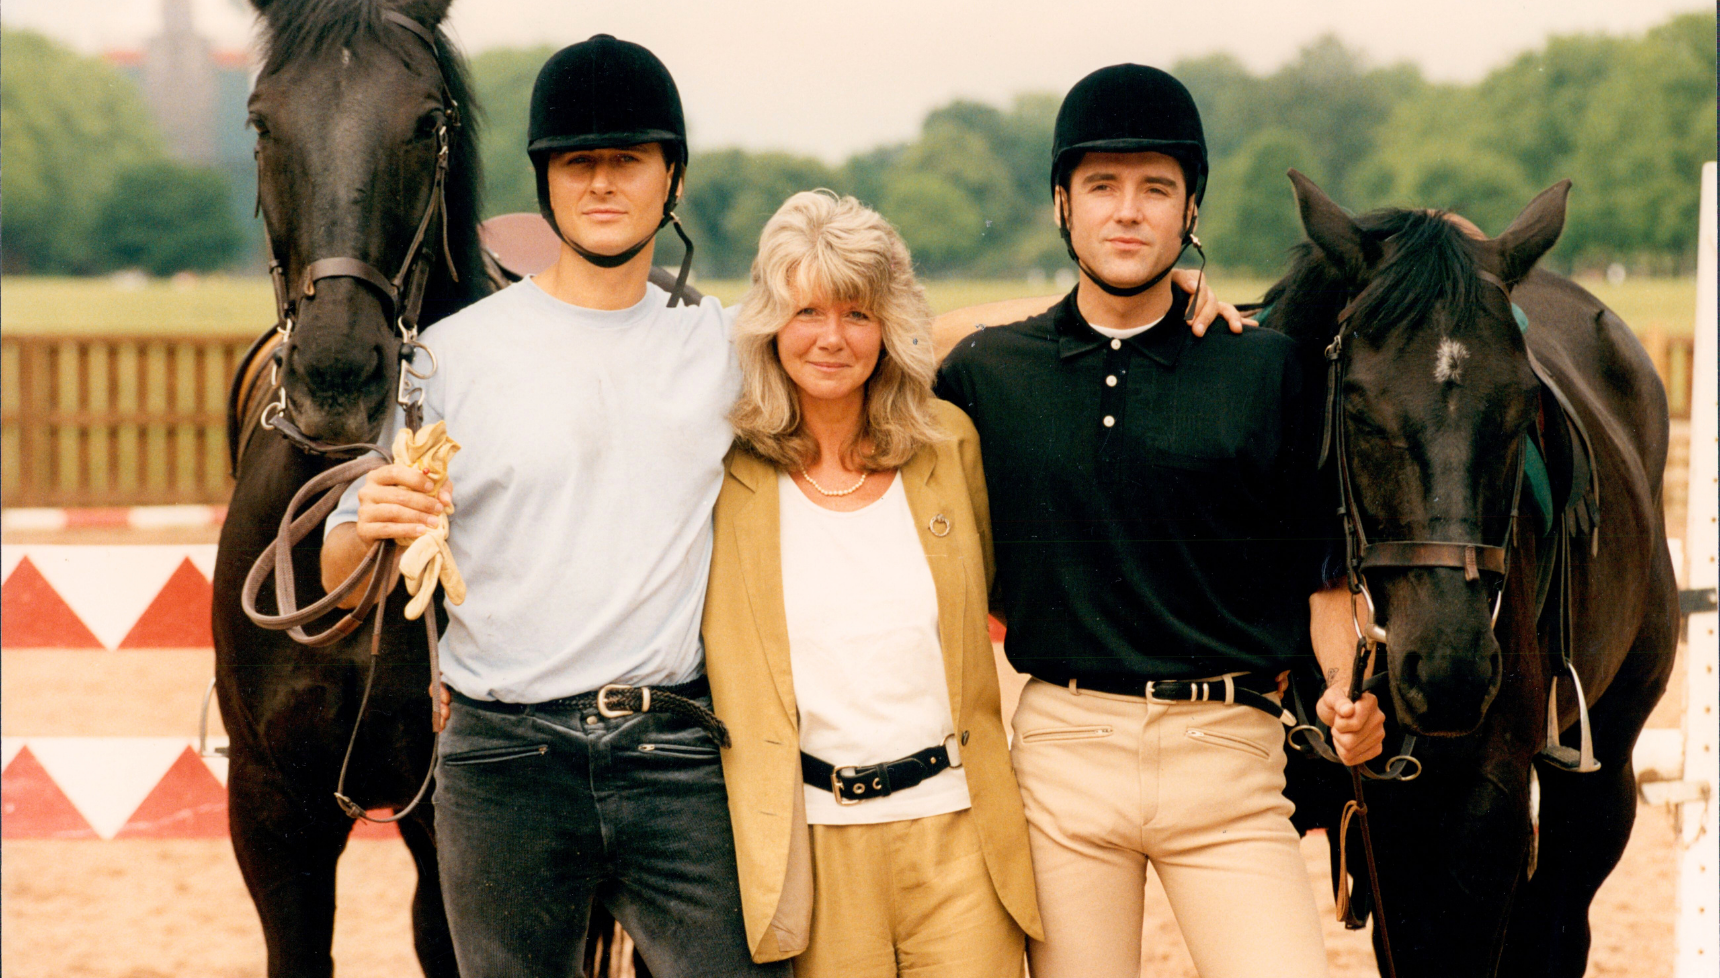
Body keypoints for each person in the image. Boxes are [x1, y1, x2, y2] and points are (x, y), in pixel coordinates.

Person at [320, 35, 785, 978]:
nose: (603, 184)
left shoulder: (729, 343)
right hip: (504, 761)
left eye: (628, 161)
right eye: (579, 164)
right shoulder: (452, 357)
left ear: (673, 180)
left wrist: (1154, 295)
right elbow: (336, 582)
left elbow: (892, 340)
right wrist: (371, 516)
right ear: (546, 183)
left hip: (678, 752)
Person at [933, 64, 1382, 978]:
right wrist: (1070, 323)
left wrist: (1344, 690)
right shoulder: (990, 374)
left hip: (1228, 760)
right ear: (1063, 205)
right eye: (1101, 186)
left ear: (1189, 212)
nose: (1127, 211)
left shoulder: (1268, 372)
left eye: (1155, 189)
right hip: (1063, 757)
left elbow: (1322, 578)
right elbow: (883, 337)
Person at [701, 190, 1041, 977]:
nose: (831, 339)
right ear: (768, 326)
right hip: (812, 846)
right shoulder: (723, 473)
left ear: (889, 329)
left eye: (857, 314)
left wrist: (1173, 293)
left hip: (959, 835)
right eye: (807, 311)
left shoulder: (948, 444)